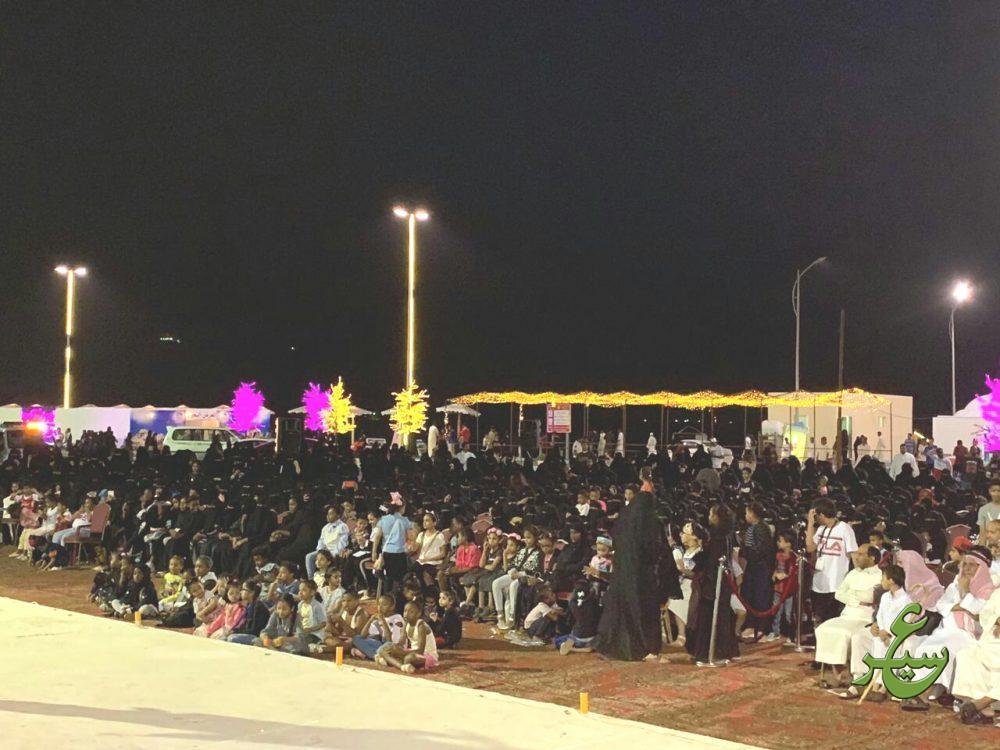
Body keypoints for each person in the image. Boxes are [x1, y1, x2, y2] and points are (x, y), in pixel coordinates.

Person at [593, 488, 664, 661]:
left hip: (622, 574)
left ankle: (615, 647)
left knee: (621, 610)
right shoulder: (650, 525)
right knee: (642, 611)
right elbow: (654, 551)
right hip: (642, 577)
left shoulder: (623, 524)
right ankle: (646, 649)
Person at [814, 544, 882, 690]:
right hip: (847, 614)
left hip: (865, 617)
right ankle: (838, 672)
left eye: (861, 554)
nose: (856, 557)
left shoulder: (880, 576)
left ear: (872, 558)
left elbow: (870, 597)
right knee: (824, 629)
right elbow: (839, 594)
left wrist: (852, 593)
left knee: (845, 633)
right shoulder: (853, 573)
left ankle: (847, 674)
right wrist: (857, 599)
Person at [846, 564, 913, 702]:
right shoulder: (885, 597)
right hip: (881, 633)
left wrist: (888, 633)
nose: (881, 580)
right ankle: (859, 679)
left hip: (895, 637)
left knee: (887, 646)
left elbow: (904, 623)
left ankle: (883, 685)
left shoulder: (906, 601)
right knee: (859, 637)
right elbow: (880, 616)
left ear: (891, 580)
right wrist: (880, 628)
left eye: (883, 578)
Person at [685, 503, 739, 665]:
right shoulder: (727, 535)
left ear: (717, 517)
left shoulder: (717, 536)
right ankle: (724, 651)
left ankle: (706, 654)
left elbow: (711, 561)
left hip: (713, 583)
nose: (709, 517)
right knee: (722, 616)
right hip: (721, 583)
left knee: (708, 618)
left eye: (711, 514)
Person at [806, 498, 858, 624]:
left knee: (833, 621)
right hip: (819, 582)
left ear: (821, 515)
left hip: (837, 583)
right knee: (819, 619)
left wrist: (856, 579)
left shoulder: (845, 528)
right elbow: (810, 547)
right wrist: (810, 523)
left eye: (815, 515)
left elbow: (853, 554)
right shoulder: (821, 529)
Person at [371, 493, 414, 597]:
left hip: (386, 552)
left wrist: (374, 552)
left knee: (388, 578)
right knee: (399, 579)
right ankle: (397, 599)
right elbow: (411, 538)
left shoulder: (383, 519)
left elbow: (377, 537)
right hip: (399, 553)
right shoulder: (405, 520)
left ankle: (386, 599)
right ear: (402, 507)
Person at [377, 601, 439, 673]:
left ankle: (391, 662)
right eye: (405, 611)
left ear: (418, 614)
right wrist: (393, 648)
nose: (406, 614)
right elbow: (401, 642)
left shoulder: (421, 626)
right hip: (412, 651)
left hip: (427, 655)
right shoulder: (406, 624)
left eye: (411, 612)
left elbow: (420, 651)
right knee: (384, 650)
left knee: (409, 658)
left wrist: (401, 653)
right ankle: (402, 667)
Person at [765, 531, 798, 643]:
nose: (778, 543)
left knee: (789, 613)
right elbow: (775, 567)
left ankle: (792, 634)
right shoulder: (778, 555)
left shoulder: (794, 557)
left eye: (780, 541)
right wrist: (774, 574)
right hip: (778, 589)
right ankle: (775, 632)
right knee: (776, 611)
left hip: (789, 590)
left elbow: (794, 572)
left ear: (788, 543)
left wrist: (785, 575)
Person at [305, 504, 349, 579]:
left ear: (338, 515)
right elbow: (321, 541)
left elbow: (342, 543)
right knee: (309, 557)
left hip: (334, 551)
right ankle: (311, 579)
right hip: (324, 551)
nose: (328, 516)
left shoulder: (343, 526)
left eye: (331, 514)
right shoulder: (325, 527)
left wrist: (333, 553)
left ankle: (326, 578)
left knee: (324, 559)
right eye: (327, 514)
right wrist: (320, 551)